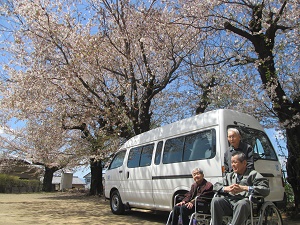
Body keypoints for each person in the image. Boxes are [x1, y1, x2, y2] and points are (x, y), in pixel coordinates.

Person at [211, 151, 270, 225]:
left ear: (244, 163)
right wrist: (226, 188)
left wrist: (244, 188)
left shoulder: (253, 174)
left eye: (235, 162)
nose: (233, 165)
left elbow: (265, 189)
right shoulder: (229, 176)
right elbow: (215, 186)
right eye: (231, 163)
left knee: (242, 204)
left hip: (246, 205)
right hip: (230, 203)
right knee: (216, 200)